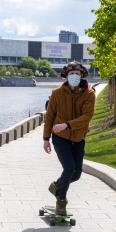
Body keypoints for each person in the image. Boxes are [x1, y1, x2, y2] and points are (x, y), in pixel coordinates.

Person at [43, 61, 96, 216]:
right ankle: (61, 200)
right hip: (60, 137)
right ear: (66, 76)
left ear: (82, 76)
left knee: (76, 174)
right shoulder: (57, 93)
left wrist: (67, 124)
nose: (74, 76)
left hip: (78, 138)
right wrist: (46, 139)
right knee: (69, 168)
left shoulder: (89, 94)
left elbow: (87, 116)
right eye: (71, 74)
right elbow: (50, 116)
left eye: (77, 74)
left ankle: (57, 186)